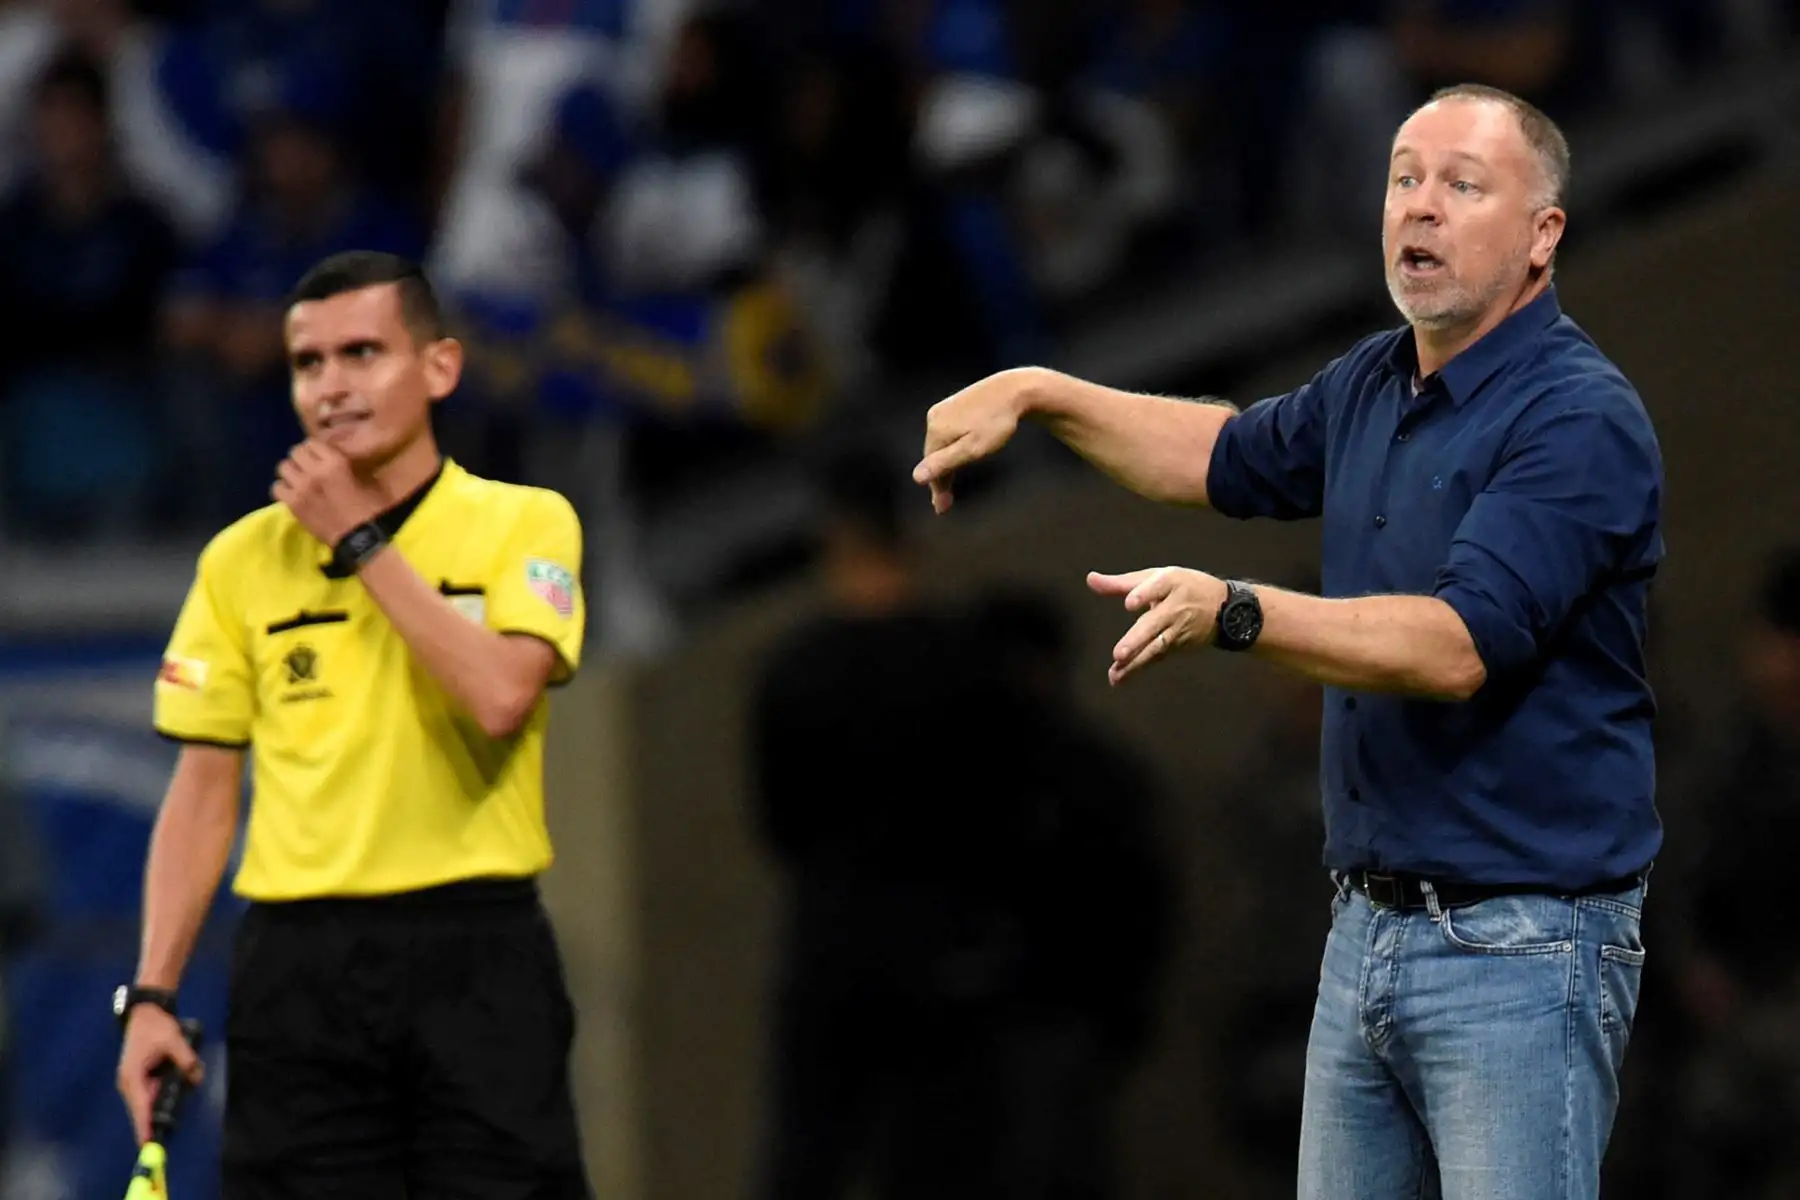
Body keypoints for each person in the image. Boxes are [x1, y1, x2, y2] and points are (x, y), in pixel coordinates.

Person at [915, 81, 1664, 1200]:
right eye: (1405, 178)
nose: (1419, 207)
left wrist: (1237, 612)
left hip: (1523, 945)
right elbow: (1215, 454)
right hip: (1367, 930)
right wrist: (1042, 391)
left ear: (1543, 232)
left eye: (1463, 186)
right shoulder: (1377, 379)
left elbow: (1458, 644)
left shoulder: (1577, 417)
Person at [115, 250, 592, 1199]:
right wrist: (153, 998)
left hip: (476, 956)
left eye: (363, 353)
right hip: (300, 970)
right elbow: (205, 790)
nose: (332, 386)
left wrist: (360, 541)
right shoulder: (239, 562)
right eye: (309, 364)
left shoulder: (524, 524)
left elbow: (502, 699)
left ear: (440, 368)